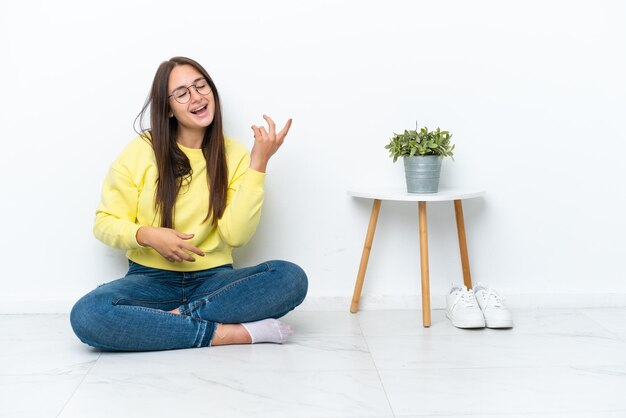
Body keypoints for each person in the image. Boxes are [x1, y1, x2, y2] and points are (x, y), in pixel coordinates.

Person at [70, 56, 308, 351]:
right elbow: (104, 222)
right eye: (182, 93)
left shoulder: (234, 154)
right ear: (168, 109)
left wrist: (258, 163)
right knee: (88, 314)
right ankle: (232, 334)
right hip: (150, 280)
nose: (196, 97)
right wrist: (148, 235)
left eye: (201, 86)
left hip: (215, 281)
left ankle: (165, 322)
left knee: (290, 278)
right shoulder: (140, 152)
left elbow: (236, 236)